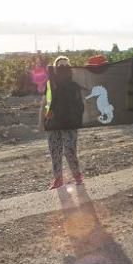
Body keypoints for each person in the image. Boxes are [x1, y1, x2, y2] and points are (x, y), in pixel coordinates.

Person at [41, 55, 84, 189]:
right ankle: (58, 179)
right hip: (53, 122)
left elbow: (81, 104)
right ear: (55, 68)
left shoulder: (75, 84)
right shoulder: (50, 84)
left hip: (69, 122)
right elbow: (44, 103)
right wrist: (41, 121)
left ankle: (77, 176)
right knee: (55, 151)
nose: (63, 68)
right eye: (60, 66)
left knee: (70, 150)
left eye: (66, 65)